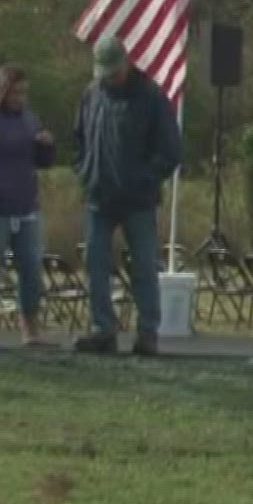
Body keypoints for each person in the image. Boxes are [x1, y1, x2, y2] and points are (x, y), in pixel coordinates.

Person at [73, 36, 183, 356]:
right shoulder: (91, 96)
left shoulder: (151, 97)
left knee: (144, 267)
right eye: (105, 73)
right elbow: (78, 139)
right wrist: (85, 172)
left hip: (138, 201)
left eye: (115, 71)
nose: (111, 78)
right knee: (95, 265)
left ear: (127, 62)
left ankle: (148, 331)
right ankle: (102, 329)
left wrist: (144, 180)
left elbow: (170, 150)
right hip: (98, 197)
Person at [0, 65, 56, 347]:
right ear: (1, 92)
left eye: (24, 92)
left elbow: (41, 161)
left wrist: (46, 146)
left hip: (27, 207)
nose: (20, 98)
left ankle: (30, 329)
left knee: (31, 269)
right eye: (15, 92)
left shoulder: (29, 119)